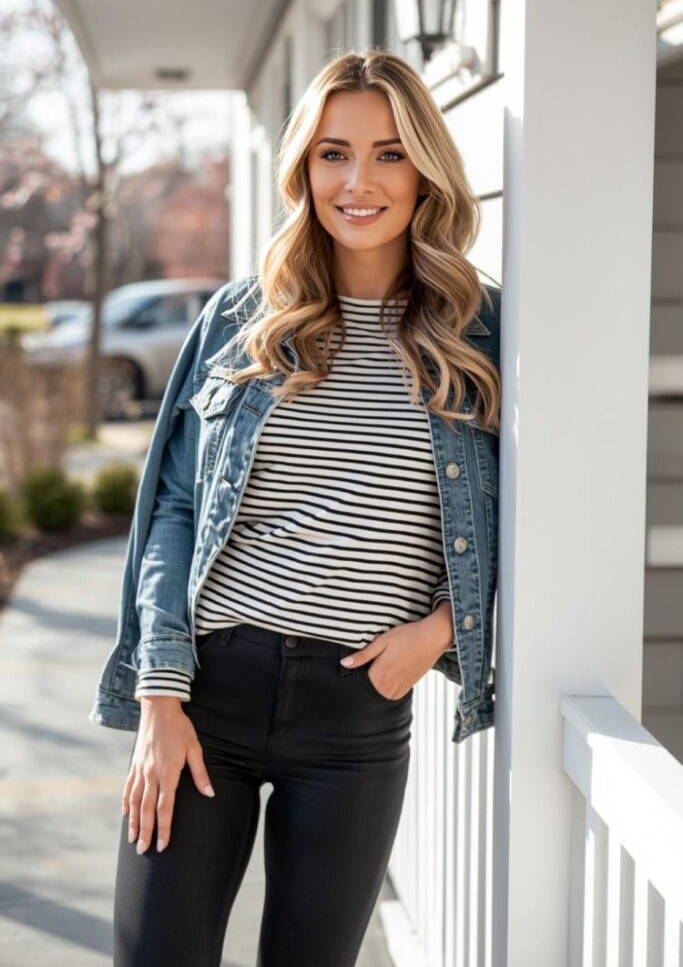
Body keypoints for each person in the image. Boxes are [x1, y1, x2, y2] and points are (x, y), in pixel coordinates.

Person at [92, 47, 501, 967]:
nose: (358, 181)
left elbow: (526, 518)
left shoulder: (478, 334)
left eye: (389, 153)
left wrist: (441, 629)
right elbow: (172, 507)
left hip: (356, 712)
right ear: (302, 166)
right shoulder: (244, 316)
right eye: (333, 152)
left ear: (426, 167)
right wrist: (159, 694)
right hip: (206, 694)